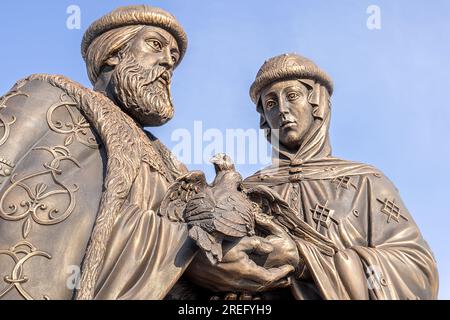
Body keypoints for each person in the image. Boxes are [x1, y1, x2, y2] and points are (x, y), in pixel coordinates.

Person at [187, 53, 439, 300]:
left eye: (292, 96)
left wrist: (304, 260)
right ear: (264, 117)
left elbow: (418, 273)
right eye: (271, 103)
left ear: (316, 102)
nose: (282, 110)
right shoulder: (248, 190)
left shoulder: (366, 181)